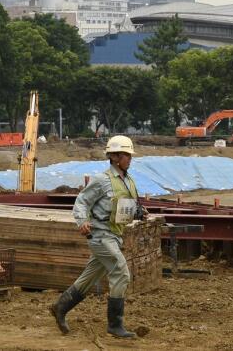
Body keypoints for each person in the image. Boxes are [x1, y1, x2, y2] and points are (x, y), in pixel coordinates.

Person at [49, 134, 143, 339]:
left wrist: (139, 212)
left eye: (129, 155)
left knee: (88, 278)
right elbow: (82, 201)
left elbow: (129, 207)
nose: (130, 159)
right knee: (121, 272)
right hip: (100, 236)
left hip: (115, 236)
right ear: (115, 157)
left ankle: (60, 307)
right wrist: (82, 221)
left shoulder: (129, 181)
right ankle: (115, 325)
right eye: (127, 155)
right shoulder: (102, 180)